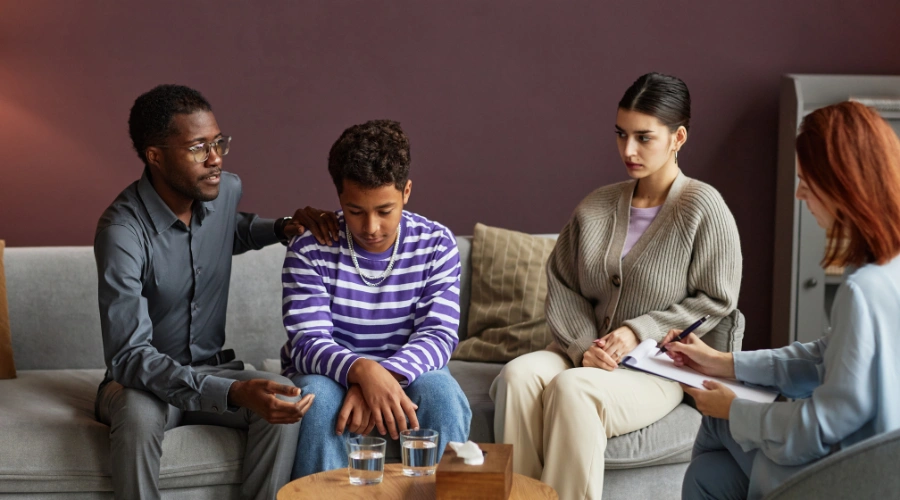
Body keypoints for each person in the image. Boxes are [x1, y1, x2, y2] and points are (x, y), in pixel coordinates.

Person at [489, 72, 745, 499]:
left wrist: (636, 331)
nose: (628, 150)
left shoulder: (703, 206)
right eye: (621, 134)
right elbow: (563, 283)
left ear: (678, 137)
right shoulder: (597, 206)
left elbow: (716, 300)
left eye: (644, 137)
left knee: (573, 389)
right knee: (517, 376)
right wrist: (582, 346)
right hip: (585, 353)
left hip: (656, 367)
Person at [94, 84, 336, 500]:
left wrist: (282, 227)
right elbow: (129, 357)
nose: (216, 159)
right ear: (155, 156)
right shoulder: (122, 232)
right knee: (137, 415)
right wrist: (232, 392)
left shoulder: (222, 190)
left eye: (219, 143)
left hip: (212, 368)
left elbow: (232, 230)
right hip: (143, 383)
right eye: (198, 148)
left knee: (284, 399)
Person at [674, 101, 900, 500]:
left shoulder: (863, 290)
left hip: (848, 480)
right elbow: (824, 357)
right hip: (875, 472)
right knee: (708, 476)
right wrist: (724, 362)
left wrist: (734, 409)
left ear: (842, 185)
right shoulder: (887, 270)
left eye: (806, 182)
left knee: (717, 421)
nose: (799, 194)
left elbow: (820, 425)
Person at [280, 119, 472, 479]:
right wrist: (361, 371)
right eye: (355, 211)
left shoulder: (436, 244)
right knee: (317, 401)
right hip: (329, 374)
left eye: (385, 211)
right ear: (340, 197)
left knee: (441, 394)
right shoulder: (310, 248)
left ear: (406, 192)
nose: (370, 228)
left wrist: (382, 377)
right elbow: (307, 342)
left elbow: (438, 335)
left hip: (409, 370)